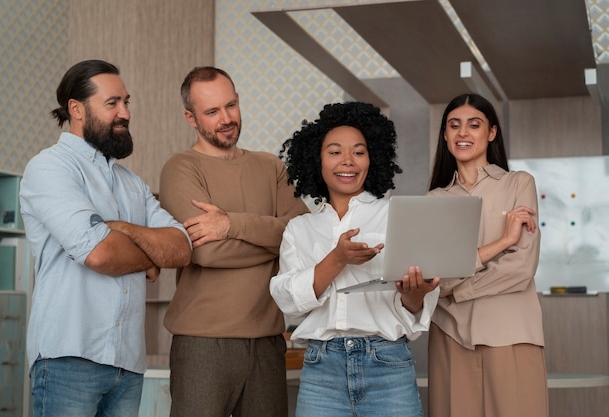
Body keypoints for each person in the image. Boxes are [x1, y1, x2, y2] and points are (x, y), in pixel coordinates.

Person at [19, 59, 193, 417]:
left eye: (126, 102)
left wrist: (123, 229)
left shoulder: (133, 184)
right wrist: (149, 256)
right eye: (112, 103)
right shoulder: (50, 167)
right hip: (69, 357)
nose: (125, 113)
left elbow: (180, 247)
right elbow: (99, 253)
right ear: (77, 109)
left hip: (127, 364)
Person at [270, 101, 440, 417]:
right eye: (335, 152)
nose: (348, 161)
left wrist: (415, 297)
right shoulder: (300, 228)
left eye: (358, 152)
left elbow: (416, 307)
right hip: (322, 372)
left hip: (388, 366)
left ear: (372, 158)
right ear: (316, 160)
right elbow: (288, 301)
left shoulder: (397, 217)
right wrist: (337, 259)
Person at [158, 66, 309, 417]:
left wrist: (231, 224)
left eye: (230, 106)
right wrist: (273, 236)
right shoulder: (181, 168)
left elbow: (302, 237)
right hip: (202, 344)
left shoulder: (271, 166)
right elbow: (207, 253)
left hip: (270, 341)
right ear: (190, 118)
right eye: (212, 112)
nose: (226, 119)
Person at [427, 93, 548, 417]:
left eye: (474, 124)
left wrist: (459, 290)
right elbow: (434, 277)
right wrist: (503, 241)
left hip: (511, 332)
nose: (463, 132)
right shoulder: (434, 199)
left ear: (491, 132)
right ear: (445, 135)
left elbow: (522, 267)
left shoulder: (519, 183)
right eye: (454, 125)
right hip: (449, 336)